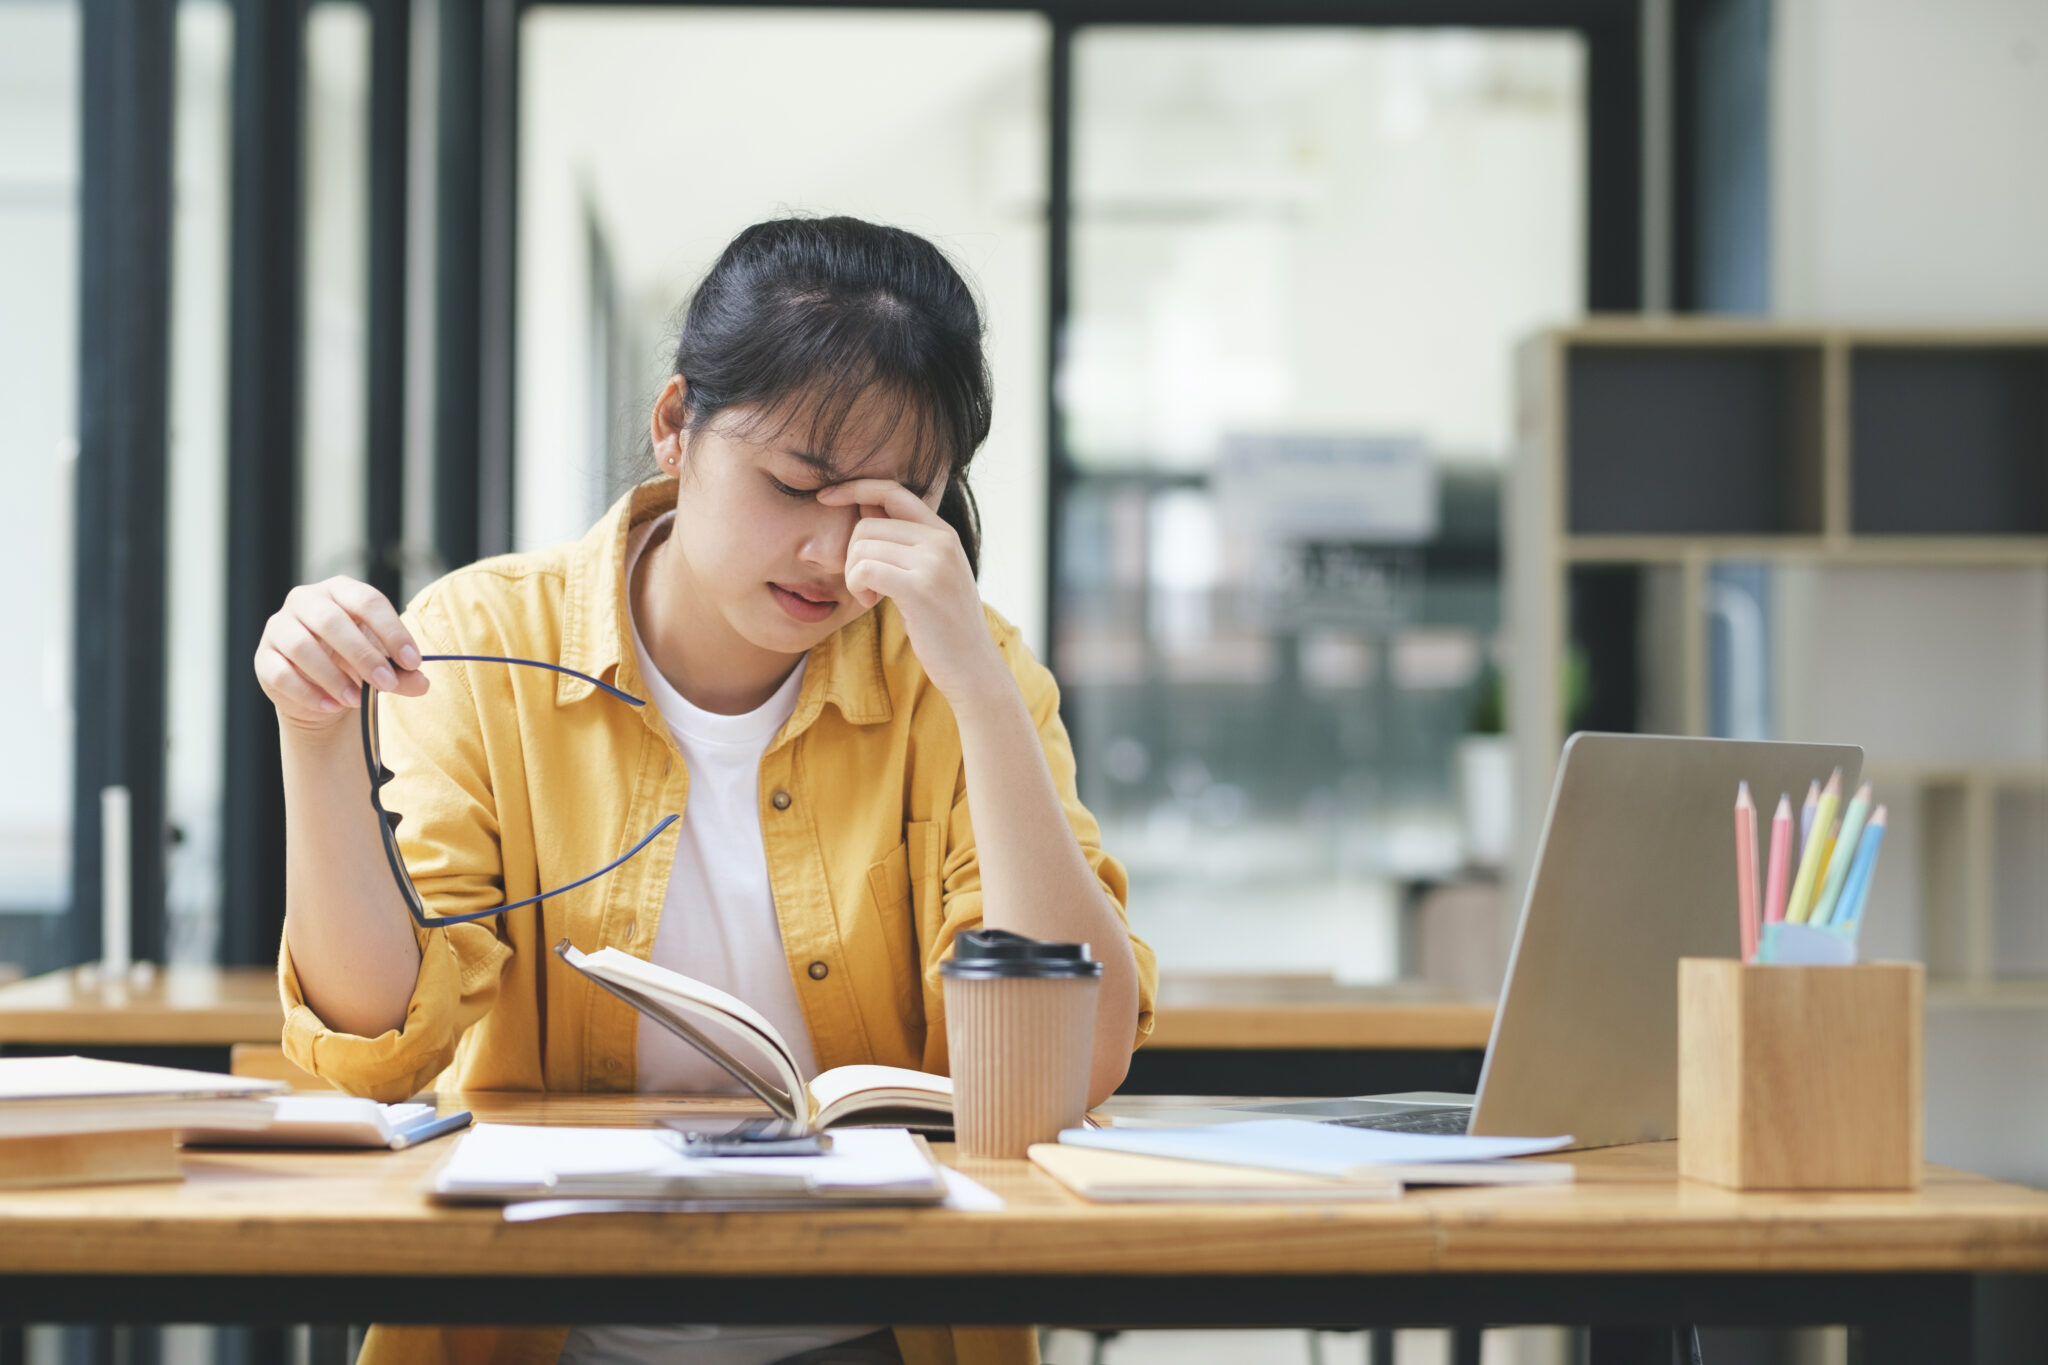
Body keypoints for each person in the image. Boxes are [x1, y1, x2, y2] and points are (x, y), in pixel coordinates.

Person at [256, 216, 1157, 1365]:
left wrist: (978, 691)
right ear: (676, 425)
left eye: (889, 507)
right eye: (798, 486)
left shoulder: (959, 670)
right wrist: (313, 737)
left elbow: (1067, 1069)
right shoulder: (485, 638)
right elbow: (379, 1040)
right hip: (545, 1329)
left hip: (885, 1328)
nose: (833, 556)